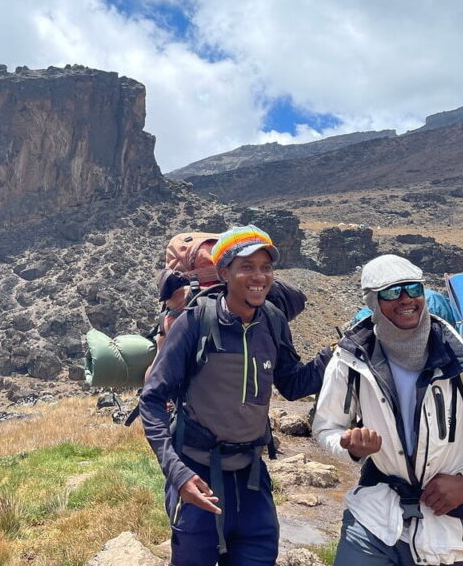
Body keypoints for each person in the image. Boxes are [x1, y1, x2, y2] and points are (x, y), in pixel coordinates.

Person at [312, 254, 463, 566]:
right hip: (373, 521)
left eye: (413, 288)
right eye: (390, 292)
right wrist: (351, 448)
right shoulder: (350, 362)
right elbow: (326, 428)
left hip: (449, 535)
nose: (405, 299)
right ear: (372, 302)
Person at [140, 225, 332, 565]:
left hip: (251, 479)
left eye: (266, 267)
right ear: (224, 272)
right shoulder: (195, 322)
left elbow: (292, 385)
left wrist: (332, 356)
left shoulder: (273, 320)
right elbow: (152, 399)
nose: (259, 276)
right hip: (196, 475)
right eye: (247, 267)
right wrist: (178, 474)